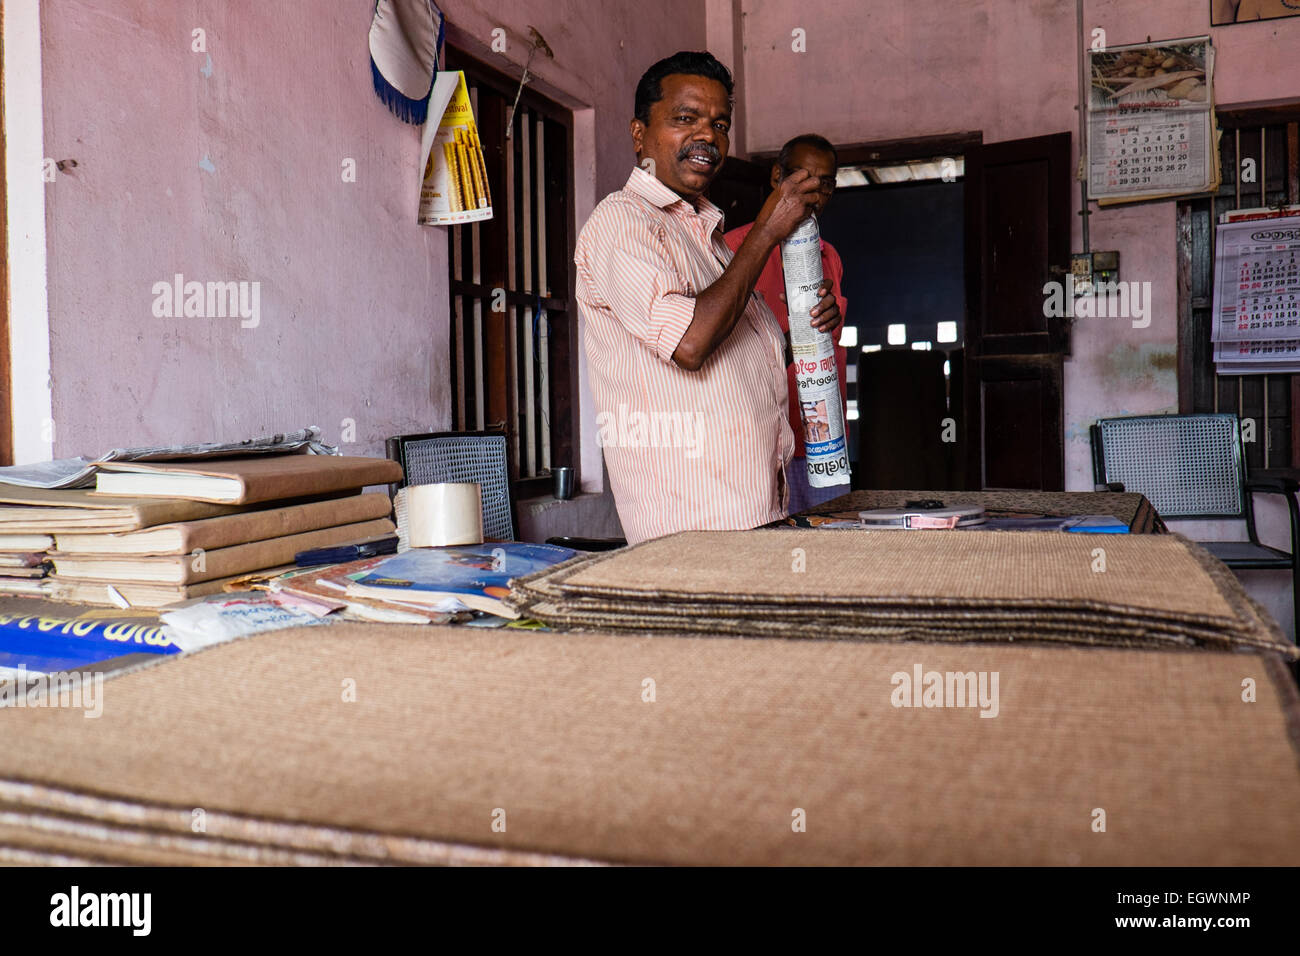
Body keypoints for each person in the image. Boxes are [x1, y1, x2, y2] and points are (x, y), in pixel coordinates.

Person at [574, 51, 843, 544]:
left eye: (720, 124)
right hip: (693, 527)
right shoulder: (622, 222)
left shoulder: (709, 240)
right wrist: (765, 231)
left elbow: (742, 355)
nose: (707, 136)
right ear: (640, 135)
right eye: (685, 118)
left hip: (753, 510)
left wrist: (808, 328)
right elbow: (691, 344)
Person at [724, 133, 849, 515]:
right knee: (769, 548)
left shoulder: (829, 256)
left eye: (825, 184)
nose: (814, 193)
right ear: (777, 176)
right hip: (760, 439)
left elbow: (831, 341)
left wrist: (830, 317)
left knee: (830, 540)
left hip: (820, 435)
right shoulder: (733, 248)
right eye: (803, 179)